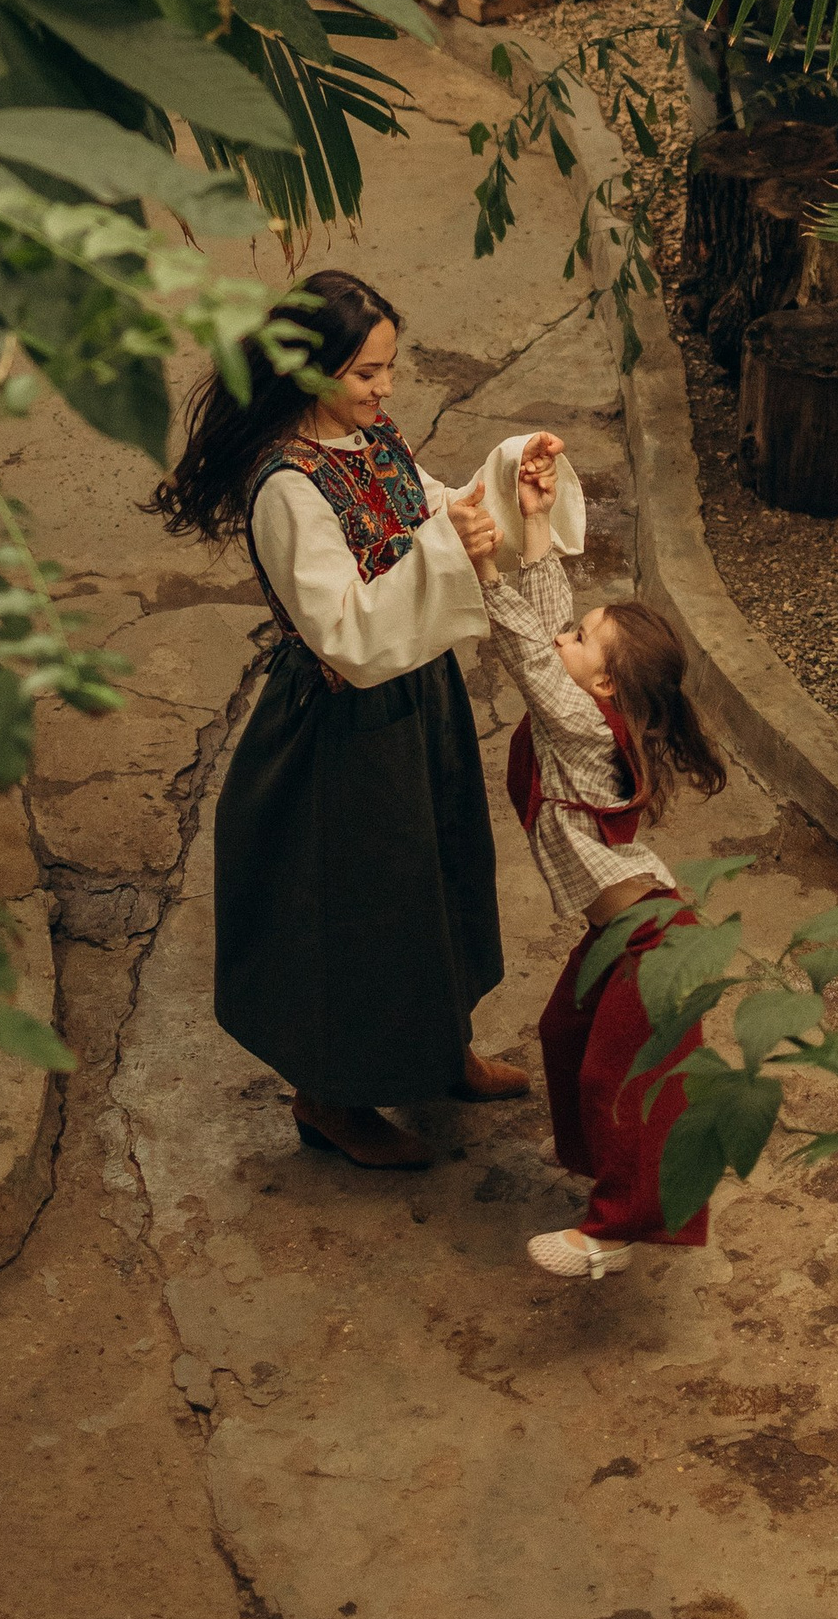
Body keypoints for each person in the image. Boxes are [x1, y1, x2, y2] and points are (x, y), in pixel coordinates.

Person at [153, 269, 530, 1173]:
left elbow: (431, 507)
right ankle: (331, 1097)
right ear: (309, 370)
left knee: (434, 874)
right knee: (357, 911)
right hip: (343, 728)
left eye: (387, 369)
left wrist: (509, 484)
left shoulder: (370, 436)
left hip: (418, 700)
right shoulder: (286, 487)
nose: (384, 389)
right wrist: (450, 551)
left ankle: (441, 1051)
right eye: (366, 373)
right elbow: (345, 631)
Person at [453, 432, 728, 1281]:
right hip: (621, 935)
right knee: (563, 1030)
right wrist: (534, 529)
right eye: (578, 631)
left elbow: (532, 653)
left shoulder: (579, 723)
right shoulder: (598, 714)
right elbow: (551, 626)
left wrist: (490, 571)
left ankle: (612, 1229)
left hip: (654, 943)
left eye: (583, 643)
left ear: (602, 686)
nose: (565, 637)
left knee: (623, 1072)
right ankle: (594, 1161)